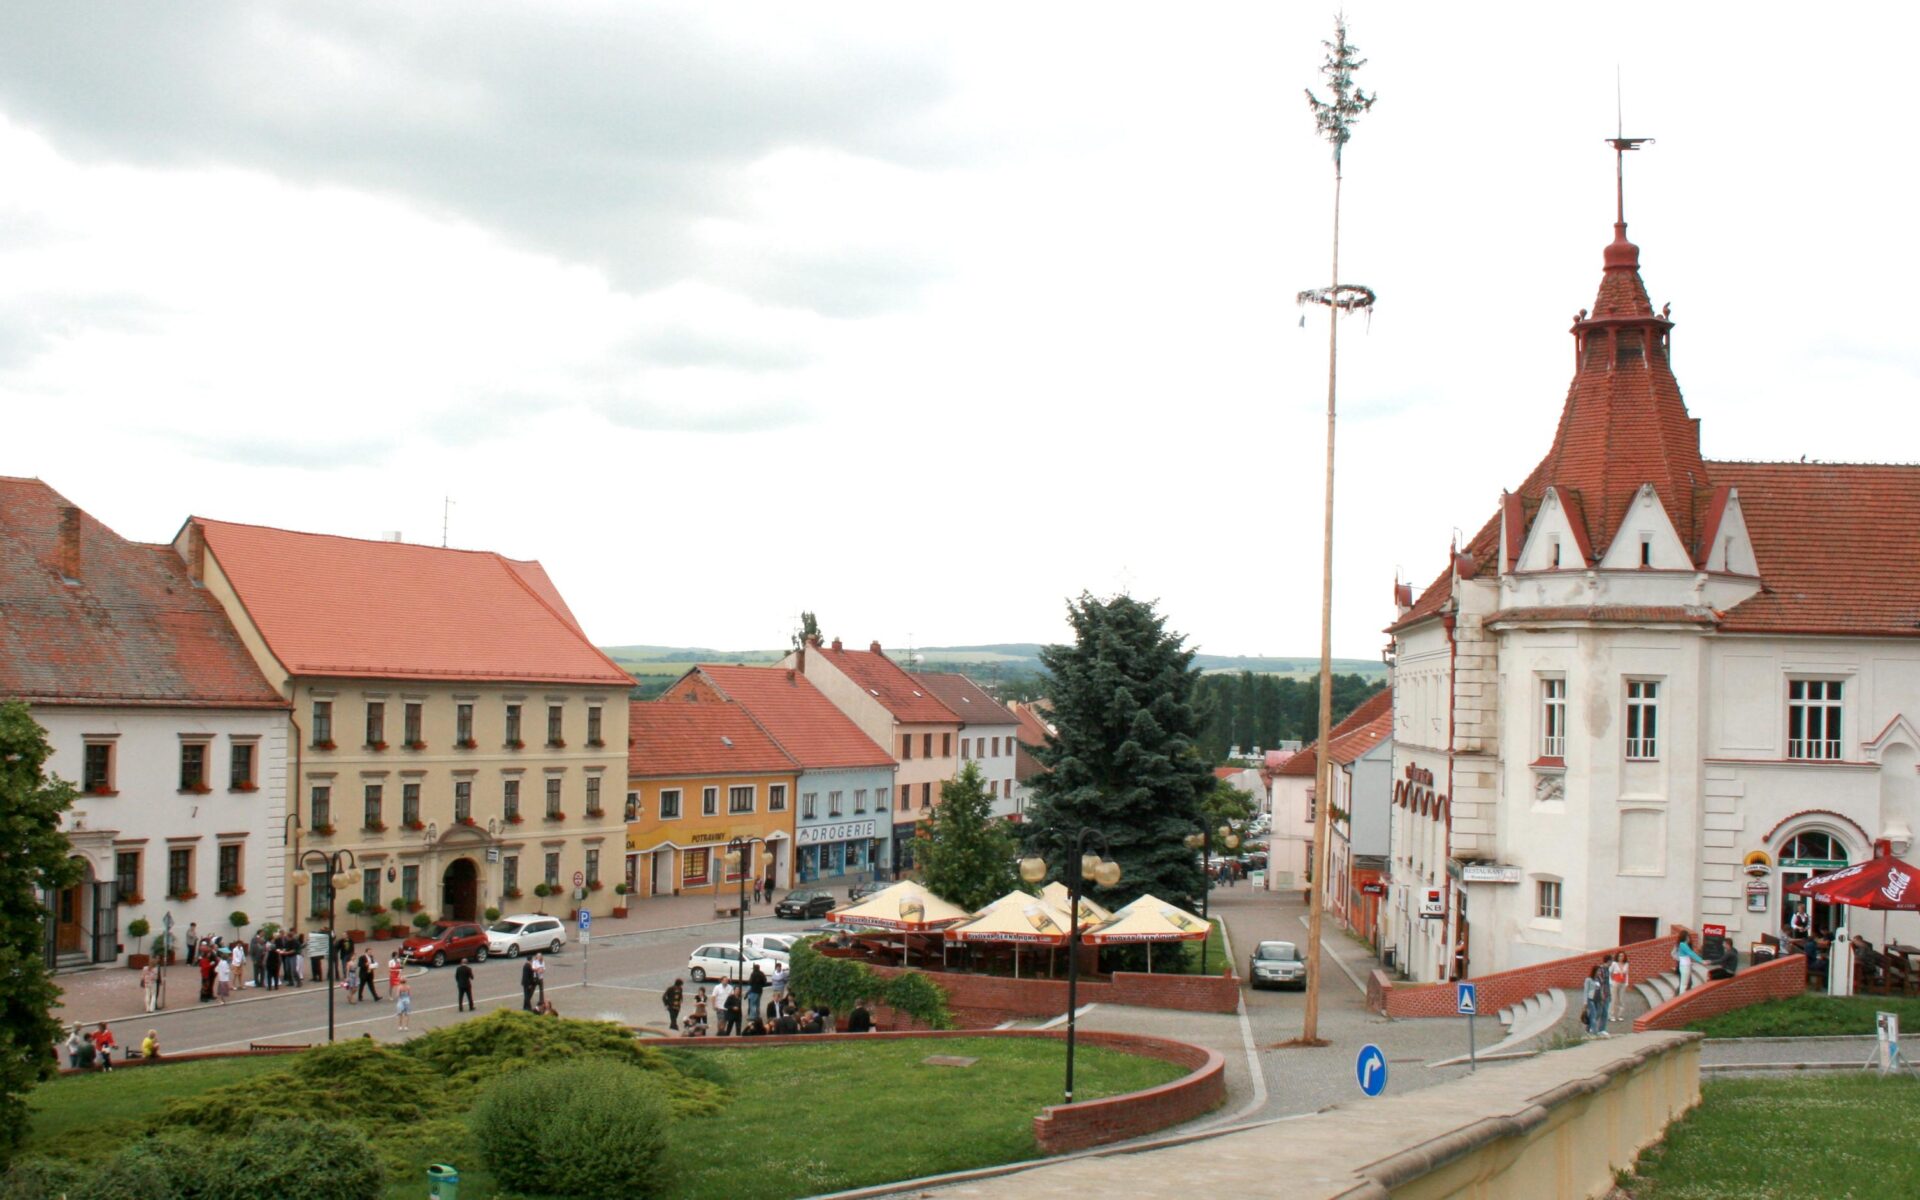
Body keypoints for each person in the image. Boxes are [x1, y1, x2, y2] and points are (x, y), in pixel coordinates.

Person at [1609, 952, 1631, 1022]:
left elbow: (1627, 974)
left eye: (1622, 956)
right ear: (1617, 957)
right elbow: (1609, 972)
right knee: (1614, 999)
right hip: (1615, 982)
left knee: (1621, 999)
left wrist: (1627, 983)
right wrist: (1611, 981)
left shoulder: (1626, 964)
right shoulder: (1614, 964)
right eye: (1620, 956)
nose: (1621, 957)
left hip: (1623, 983)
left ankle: (1620, 1015)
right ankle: (1611, 1015)